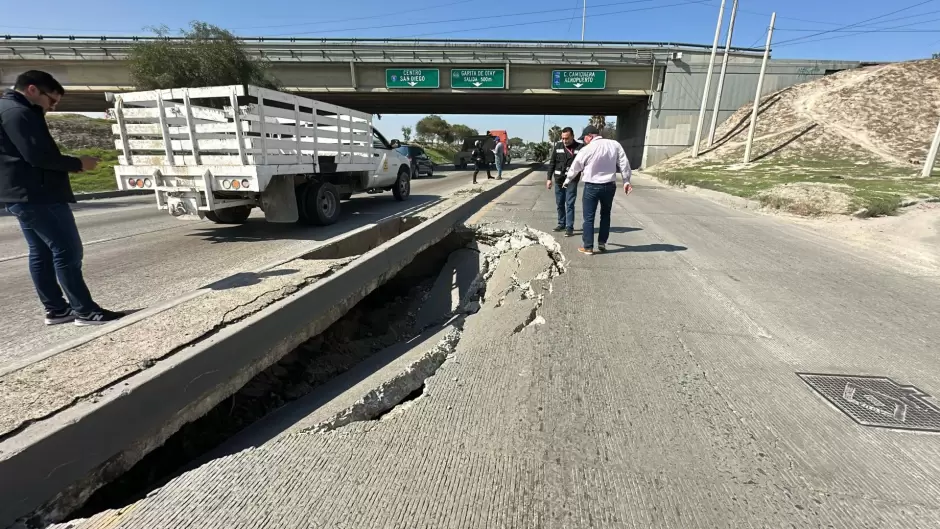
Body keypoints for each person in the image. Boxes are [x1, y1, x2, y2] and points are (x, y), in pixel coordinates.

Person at [0, 70, 125, 326]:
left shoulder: (7, 108)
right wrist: (78, 163)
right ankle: (85, 310)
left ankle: (57, 309)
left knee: (41, 252)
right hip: (39, 193)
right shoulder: (19, 113)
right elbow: (37, 156)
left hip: (21, 193)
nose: (53, 106)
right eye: (51, 100)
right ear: (33, 90)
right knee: (67, 251)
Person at [563, 124, 633, 255]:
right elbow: (624, 163)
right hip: (609, 186)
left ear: (590, 136)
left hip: (592, 186)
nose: (583, 140)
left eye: (584, 138)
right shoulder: (615, 145)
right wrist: (626, 181)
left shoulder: (587, 149)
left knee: (588, 218)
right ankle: (602, 243)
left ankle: (588, 247)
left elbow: (576, 166)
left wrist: (567, 180)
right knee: (605, 215)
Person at [545, 127, 582, 237]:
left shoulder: (580, 148)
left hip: (572, 180)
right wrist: (548, 179)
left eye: (567, 138)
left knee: (569, 204)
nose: (565, 141)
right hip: (559, 180)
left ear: (572, 136)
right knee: (560, 203)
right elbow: (552, 163)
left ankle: (569, 227)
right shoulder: (558, 146)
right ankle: (561, 223)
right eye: (563, 138)